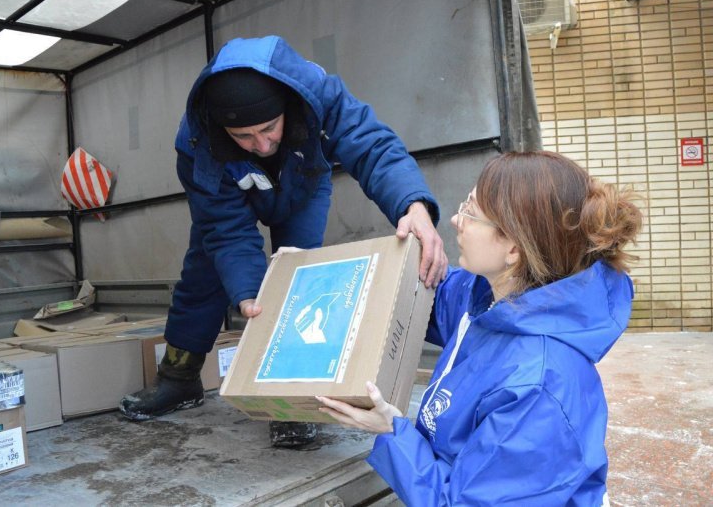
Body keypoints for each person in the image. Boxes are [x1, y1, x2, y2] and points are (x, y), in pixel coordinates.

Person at [119, 35, 447, 447]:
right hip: (231, 199)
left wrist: (412, 203)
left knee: (298, 281)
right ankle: (179, 376)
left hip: (301, 188)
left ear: (288, 107)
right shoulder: (197, 142)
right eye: (243, 136)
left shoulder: (319, 92)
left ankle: (290, 399)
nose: (262, 144)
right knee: (206, 269)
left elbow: (373, 148)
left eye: (269, 128)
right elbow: (225, 229)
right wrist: (249, 296)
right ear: (222, 129)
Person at [317, 150, 643, 504]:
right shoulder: (491, 296)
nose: (457, 219)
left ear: (514, 249)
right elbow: (425, 295)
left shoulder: (539, 390)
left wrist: (392, 431)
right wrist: (309, 276)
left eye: (471, 212)